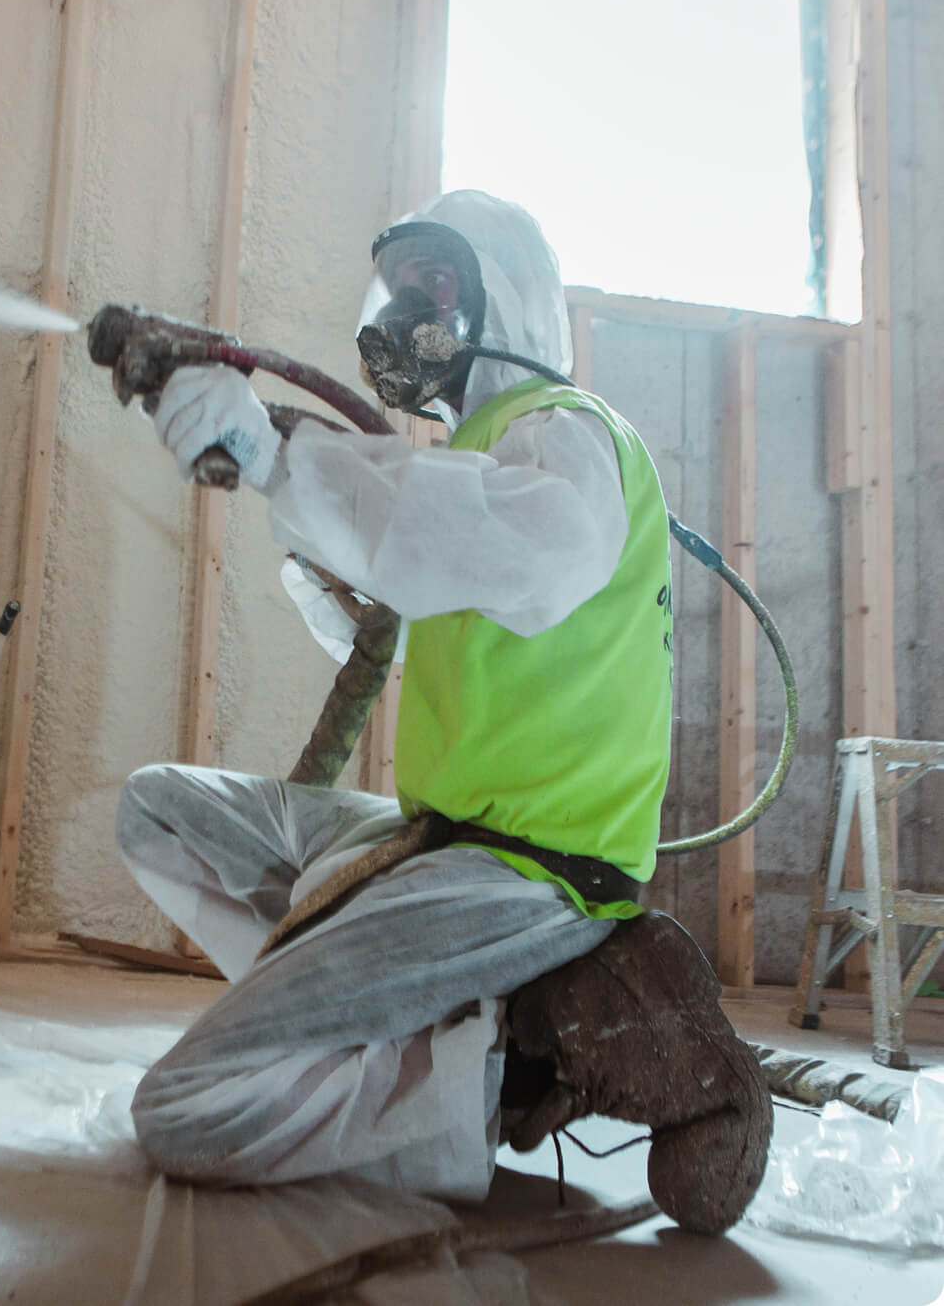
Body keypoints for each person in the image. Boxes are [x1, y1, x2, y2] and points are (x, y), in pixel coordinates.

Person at [115, 190, 769, 1231]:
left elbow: (519, 547)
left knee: (186, 1110)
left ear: (500, 298)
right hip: (436, 837)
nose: (401, 313)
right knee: (156, 808)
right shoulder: (478, 458)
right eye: (398, 287)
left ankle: (518, 1056)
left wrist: (279, 451)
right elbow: (412, 602)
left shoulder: (567, 435)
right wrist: (288, 480)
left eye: (435, 280)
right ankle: (403, 1026)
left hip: (531, 870)